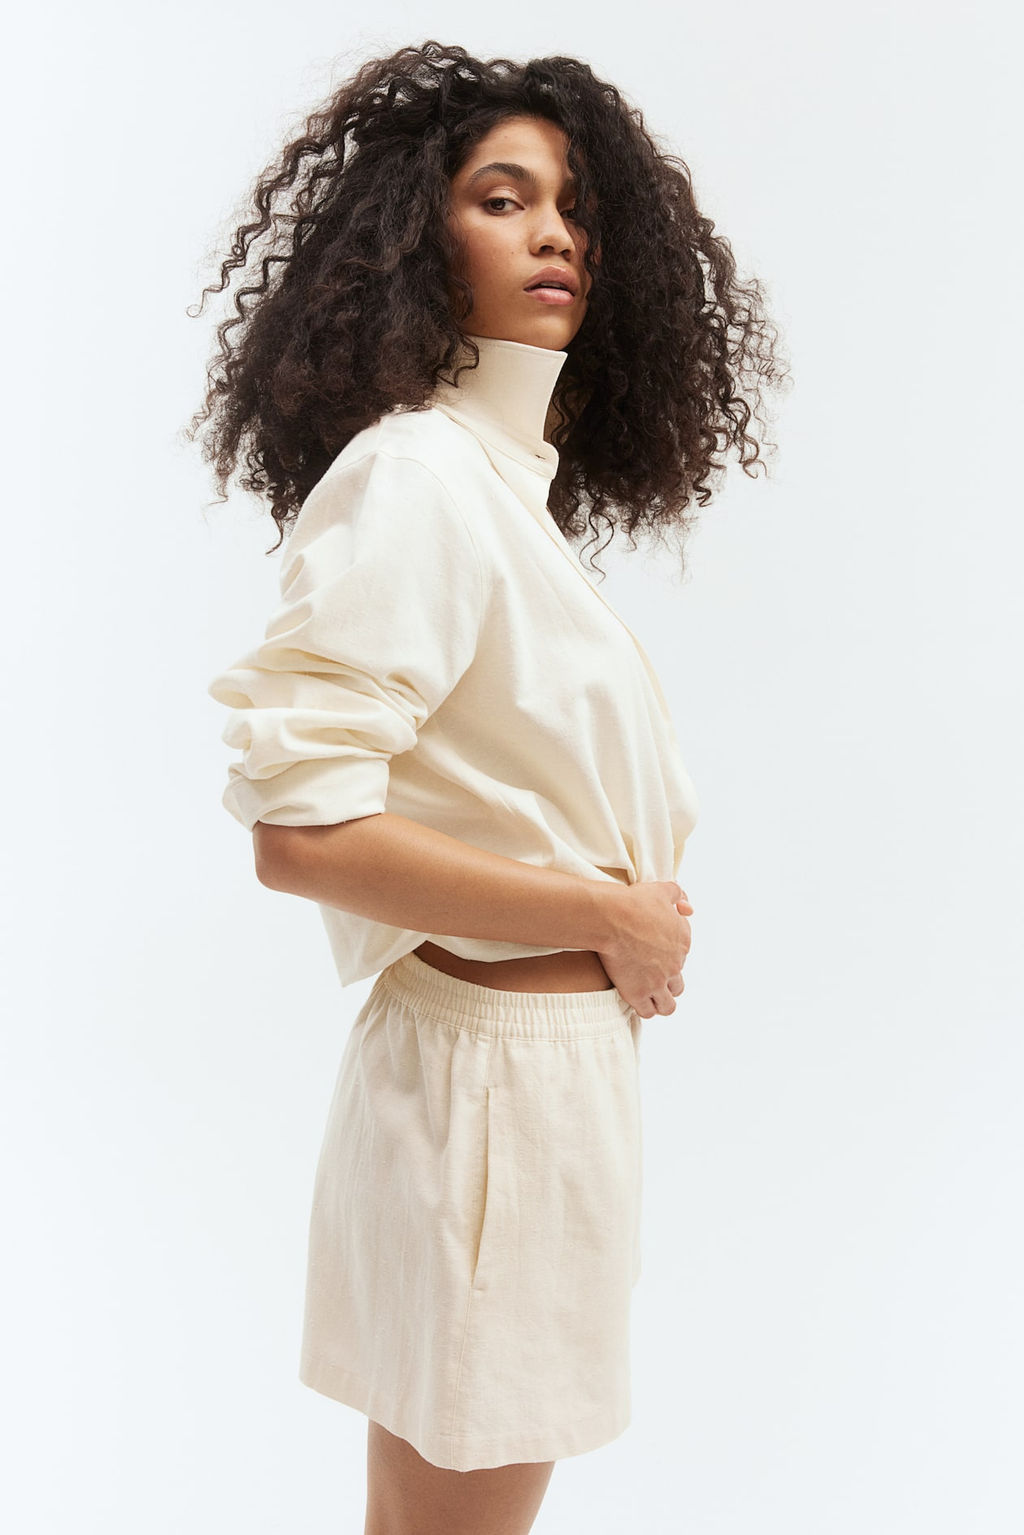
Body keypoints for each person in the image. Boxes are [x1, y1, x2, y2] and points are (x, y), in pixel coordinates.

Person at [188, 39, 788, 1535]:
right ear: (418, 240)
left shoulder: (494, 486)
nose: (554, 234)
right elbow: (302, 834)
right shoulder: (422, 478)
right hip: (495, 1099)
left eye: (573, 206)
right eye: (503, 200)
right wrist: (608, 915)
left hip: (512, 1079)